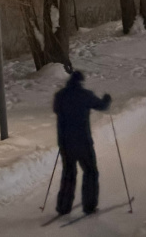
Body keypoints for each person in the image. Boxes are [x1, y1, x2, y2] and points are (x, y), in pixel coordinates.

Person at [53, 71, 111, 215]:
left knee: (69, 173)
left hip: (65, 142)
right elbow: (102, 106)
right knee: (90, 171)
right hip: (83, 141)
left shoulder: (60, 96)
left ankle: (63, 206)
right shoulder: (85, 95)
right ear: (81, 82)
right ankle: (89, 206)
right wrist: (107, 99)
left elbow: (56, 109)